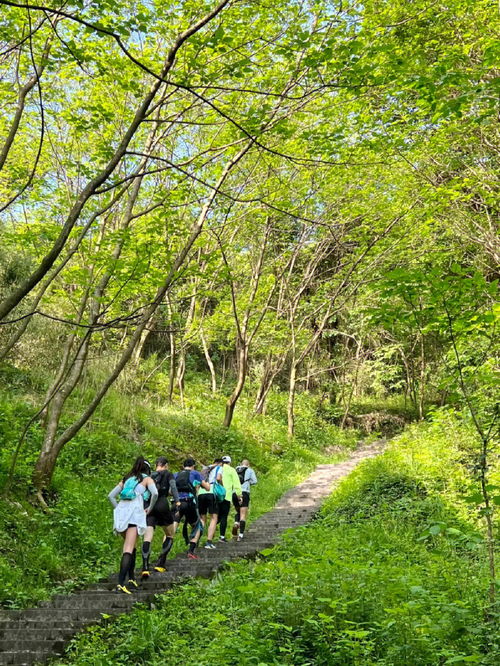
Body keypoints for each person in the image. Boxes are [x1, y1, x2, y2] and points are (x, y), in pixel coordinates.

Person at [108, 456, 158, 594]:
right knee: (128, 548)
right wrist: (150, 508)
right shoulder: (147, 479)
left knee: (132, 545)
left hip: (121, 513)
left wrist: (118, 508)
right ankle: (120, 583)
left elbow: (110, 496)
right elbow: (155, 493)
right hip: (134, 514)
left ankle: (131, 579)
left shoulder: (126, 479)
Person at [140, 457, 180, 578]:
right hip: (162, 504)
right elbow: (173, 487)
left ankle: (145, 567)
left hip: (149, 506)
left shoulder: (150, 475)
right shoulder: (168, 474)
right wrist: (177, 501)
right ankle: (160, 563)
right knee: (169, 534)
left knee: (147, 537)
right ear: (166, 465)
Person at [173, 458, 210, 559]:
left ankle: (163, 553)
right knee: (197, 525)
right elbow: (207, 488)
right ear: (193, 466)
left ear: (183, 465)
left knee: (171, 527)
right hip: (190, 503)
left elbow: (170, 491)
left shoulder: (176, 474)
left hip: (177, 503)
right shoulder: (195, 473)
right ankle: (191, 551)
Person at [199, 458, 224, 550]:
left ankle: (195, 540)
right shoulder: (219, 468)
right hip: (211, 492)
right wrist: (222, 485)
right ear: (220, 463)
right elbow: (218, 478)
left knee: (202, 518)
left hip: (201, 493)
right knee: (214, 518)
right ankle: (209, 542)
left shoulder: (205, 468)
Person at [217, 455, 242, 542]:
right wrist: (239, 495)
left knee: (215, 517)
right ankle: (222, 537)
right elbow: (236, 483)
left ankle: (208, 536)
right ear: (230, 462)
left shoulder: (217, 469)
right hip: (226, 496)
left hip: (215, 495)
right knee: (223, 517)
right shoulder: (231, 470)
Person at [232, 459, 257, 541]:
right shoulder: (250, 470)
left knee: (238, 511)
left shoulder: (235, 469)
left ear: (241, 464)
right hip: (244, 493)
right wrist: (248, 482)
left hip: (234, 493)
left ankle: (236, 523)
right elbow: (254, 481)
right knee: (243, 514)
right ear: (248, 465)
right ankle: (241, 535)